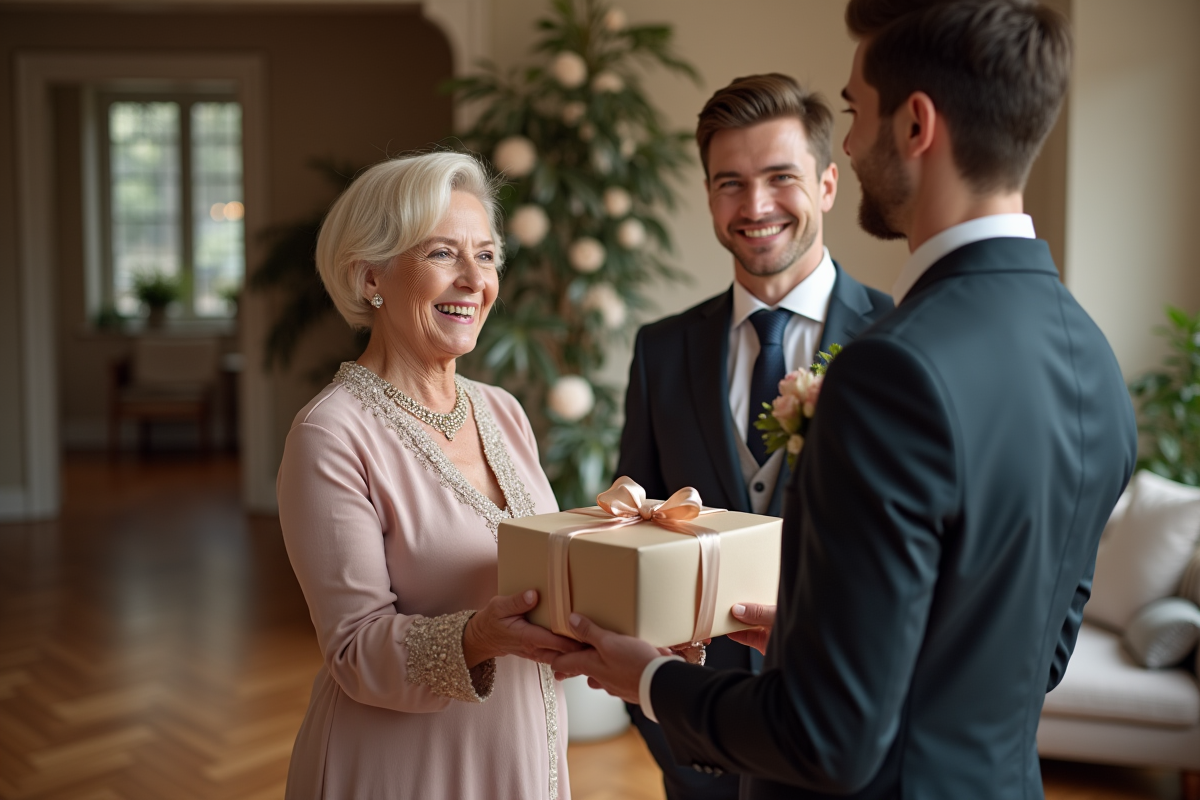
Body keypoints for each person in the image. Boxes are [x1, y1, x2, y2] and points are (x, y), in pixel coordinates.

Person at [553, 2, 1138, 799]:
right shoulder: (1090, 355)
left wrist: (654, 683)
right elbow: (1030, 654)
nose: (854, 141)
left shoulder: (892, 368)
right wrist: (811, 632)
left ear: (916, 125)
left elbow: (830, 740)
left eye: (859, 111)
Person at [617, 74, 892, 800]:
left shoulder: (898, 343)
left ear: (828, 185)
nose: (756, 206)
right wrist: (659, 721)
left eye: (781, 178)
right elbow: (636, 529)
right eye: (729, 183)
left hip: (844, 741)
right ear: (708, 195)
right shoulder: (661, 350)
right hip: (696, 743)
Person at [277, 152, 581, 800]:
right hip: (403, 769)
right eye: (444, 254)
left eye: (488, 255)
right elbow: (354, 651)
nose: (475, 280)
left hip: (523, 747)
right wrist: (476, 637)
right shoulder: (330, 434)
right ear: (369, 278)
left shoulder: (501, 409)